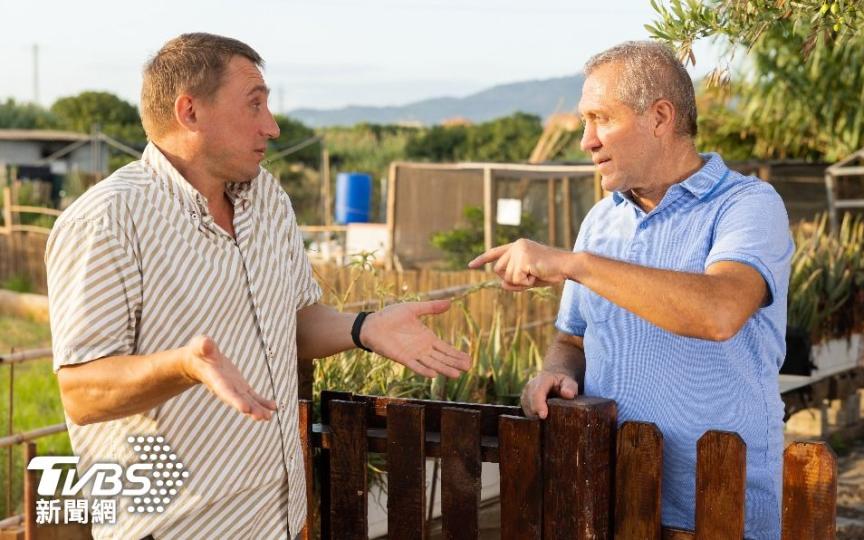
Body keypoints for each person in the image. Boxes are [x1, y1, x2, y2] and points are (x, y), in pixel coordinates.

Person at [46, 33, 471, 539]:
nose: (271, 126)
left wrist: (365, 327)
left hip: (278, 521)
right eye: (255, 104)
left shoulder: (267, 198)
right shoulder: (107, 220)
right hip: (177, 529)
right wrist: (183, 365)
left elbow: (294, 322)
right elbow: (82, 392)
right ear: (190, 112)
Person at [470, 41, 792, 539]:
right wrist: (554, 374)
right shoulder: (602, 220)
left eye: (600, 118)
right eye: (584, 121)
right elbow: (572, 340)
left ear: (660, 117)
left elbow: (720, 310)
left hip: (719, 509)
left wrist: (575, 264)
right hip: (612, 503)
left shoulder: (747, 205)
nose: (586, 140)